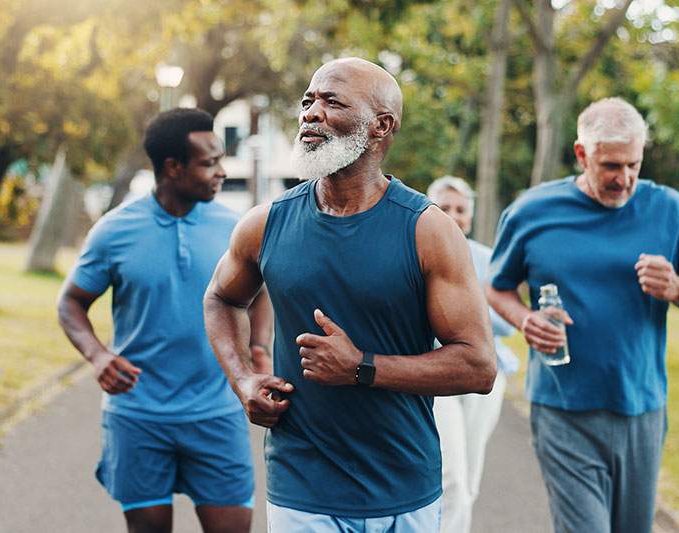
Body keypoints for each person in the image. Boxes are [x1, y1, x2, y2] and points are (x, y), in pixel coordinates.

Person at [204, 57, 497, 532]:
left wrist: (362, 367)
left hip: (404, 486)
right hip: (302, 485)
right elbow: (221, 298)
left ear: (382, 125)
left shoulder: (427, 230)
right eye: (307, 101)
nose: (311, 113)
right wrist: (242, 380)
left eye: (331, 101)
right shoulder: (266, 223)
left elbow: (478, 366)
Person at [486, 97, 679, 533]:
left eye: (633, 164)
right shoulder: (531, 213)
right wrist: (525, 320)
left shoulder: (672, 211)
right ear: (581, 154)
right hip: (561, 407)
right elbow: (497, 288)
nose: (625, 178)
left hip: (641, 408)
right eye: (611, 166)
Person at [57, 108, 272, 533]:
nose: (222, 172)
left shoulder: (236, 230)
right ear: (173, 168)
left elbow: (261, 292)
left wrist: (259, 349)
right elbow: (71, 302)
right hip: (138, 416)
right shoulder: (114, 231)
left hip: (216, 413)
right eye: (209, 163)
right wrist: (98, 357)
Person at [426, 176, 519, 533]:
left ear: (471, 214)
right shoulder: (420, 252)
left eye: (461, 209)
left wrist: (465, 317)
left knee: (470, 478)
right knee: (452, 479)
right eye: (445, 207)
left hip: (486, 375)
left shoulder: (487, 259)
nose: (454, 215)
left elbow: (507, 322)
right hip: (438, 374)